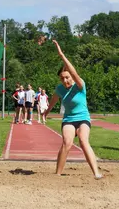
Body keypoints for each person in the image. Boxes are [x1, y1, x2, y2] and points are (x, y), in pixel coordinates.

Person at [43, 40, 102, 179]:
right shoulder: (60, 89)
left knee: (83, 140)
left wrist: (61, 54)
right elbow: (53, 100)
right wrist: (46, 112)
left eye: (68, 77)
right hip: (69, 119)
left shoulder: (80, 85)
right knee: (67, 142)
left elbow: (73, 71)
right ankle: (58, 173)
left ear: (73, 77)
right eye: (62, 78)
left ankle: (96, 172)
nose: (65, 81)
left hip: (83, 118)